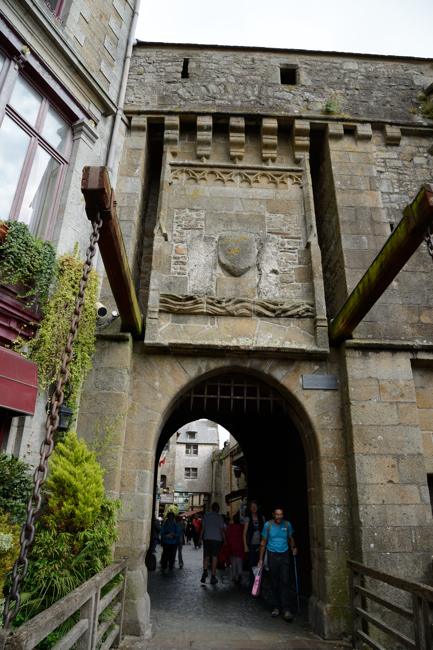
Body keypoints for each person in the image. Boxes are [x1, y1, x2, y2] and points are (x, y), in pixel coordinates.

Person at [258, 506, 297, 622]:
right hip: (272, 555)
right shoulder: (268, 525)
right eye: (277, 514)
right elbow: (263, 542)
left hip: (284, 555)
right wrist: (260, 559)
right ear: (273, 515)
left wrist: (293, 547)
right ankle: (276, 607)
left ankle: (286, 609)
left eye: (281, 514)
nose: (279, 516)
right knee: (274, 581)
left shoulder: (287, 525)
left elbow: (291, 538)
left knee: (285, 581)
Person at [200, 502, 226, 585]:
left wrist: (200, 538)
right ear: (217, 509)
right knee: (214, 557)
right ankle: (213, 577)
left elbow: (203, 528)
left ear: (211, 508)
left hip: (207, 538)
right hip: (216, 539)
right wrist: (225, 540)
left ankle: (205, 572)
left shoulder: (206, 516)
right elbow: (222, 530)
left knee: (206, 556)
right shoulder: (219, 517)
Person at [243, 500, 265, 585]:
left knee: (259, 565)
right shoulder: (248, 518)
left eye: (255, 506)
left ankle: (259, 585)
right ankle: (252, 585)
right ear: (250, 508)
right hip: (251, 545)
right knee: (252, 565)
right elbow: (244, 534)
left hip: (260, 545)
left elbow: (264, 532)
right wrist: (245, 546)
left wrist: (263, 544)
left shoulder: (262, 518)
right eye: (252, 506)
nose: (254, 508)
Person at [226, 512, 244, 584]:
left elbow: (228, 535)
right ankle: (239, 574)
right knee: (239, 561)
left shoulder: (230, 526)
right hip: (240, 546)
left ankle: (234, 576)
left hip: (232, 546)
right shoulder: (242, 527)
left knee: (233, 562)